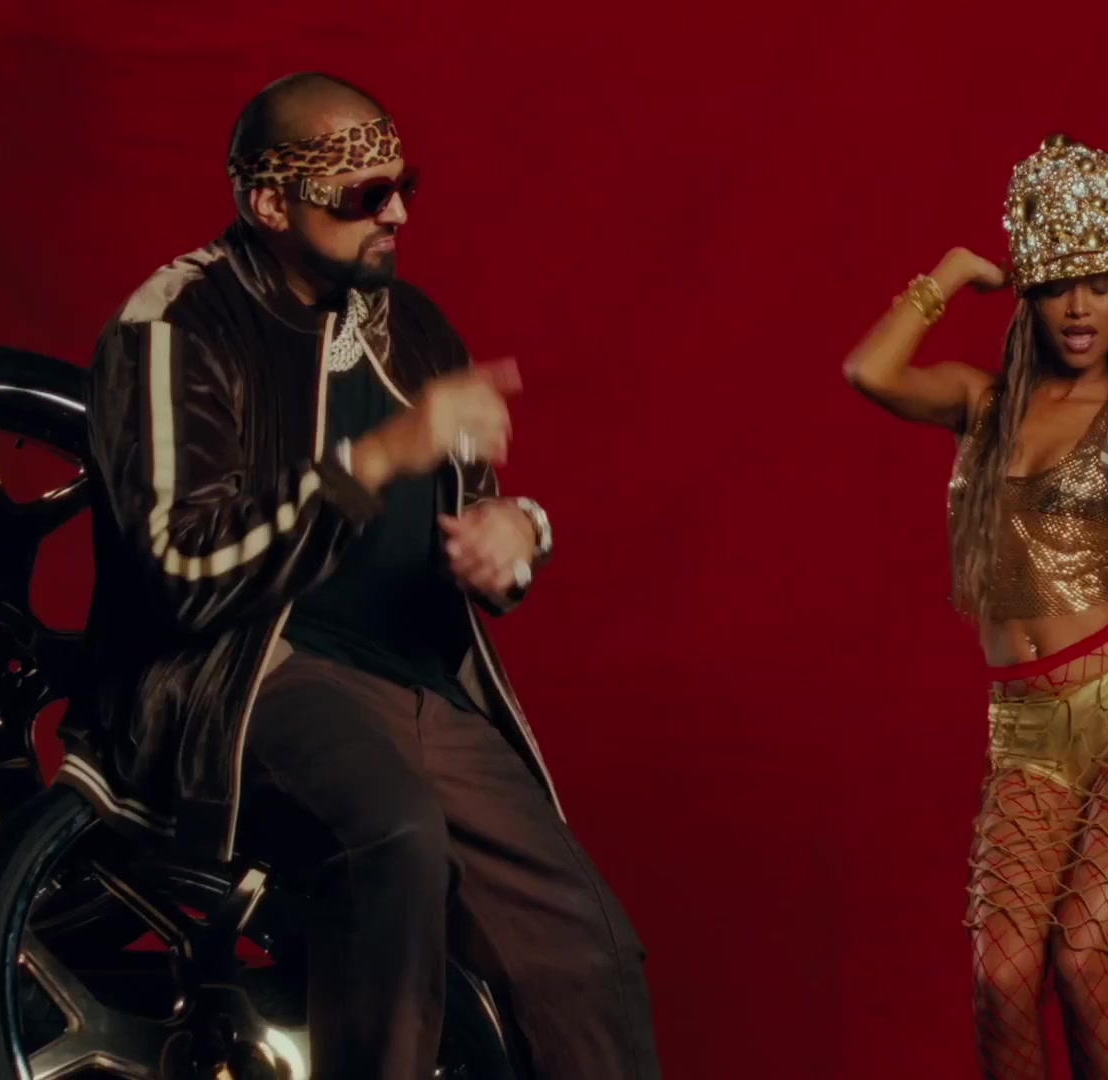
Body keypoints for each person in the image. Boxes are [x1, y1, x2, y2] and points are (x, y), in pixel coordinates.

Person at [58, 71, 661, 1078]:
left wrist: (518, 533)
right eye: (363, 196)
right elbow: (183, 570)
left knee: (586, 947)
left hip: (418, 685)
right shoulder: (176, 323)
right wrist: (375, 458)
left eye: (403, 186)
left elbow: (484, 527)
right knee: (392, 835)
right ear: (270, 203)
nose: (398, 213)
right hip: (249, 678)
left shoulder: (409, 325)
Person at [842, 134, 1108, 1078]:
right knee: (1002, 978)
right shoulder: (982, 406)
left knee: (1082, 953)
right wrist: (949, 276)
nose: (1080, 308)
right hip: (1028, 733)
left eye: (1102, 285)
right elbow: (868, 372)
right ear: (1031, 298)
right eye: (1058, 287)